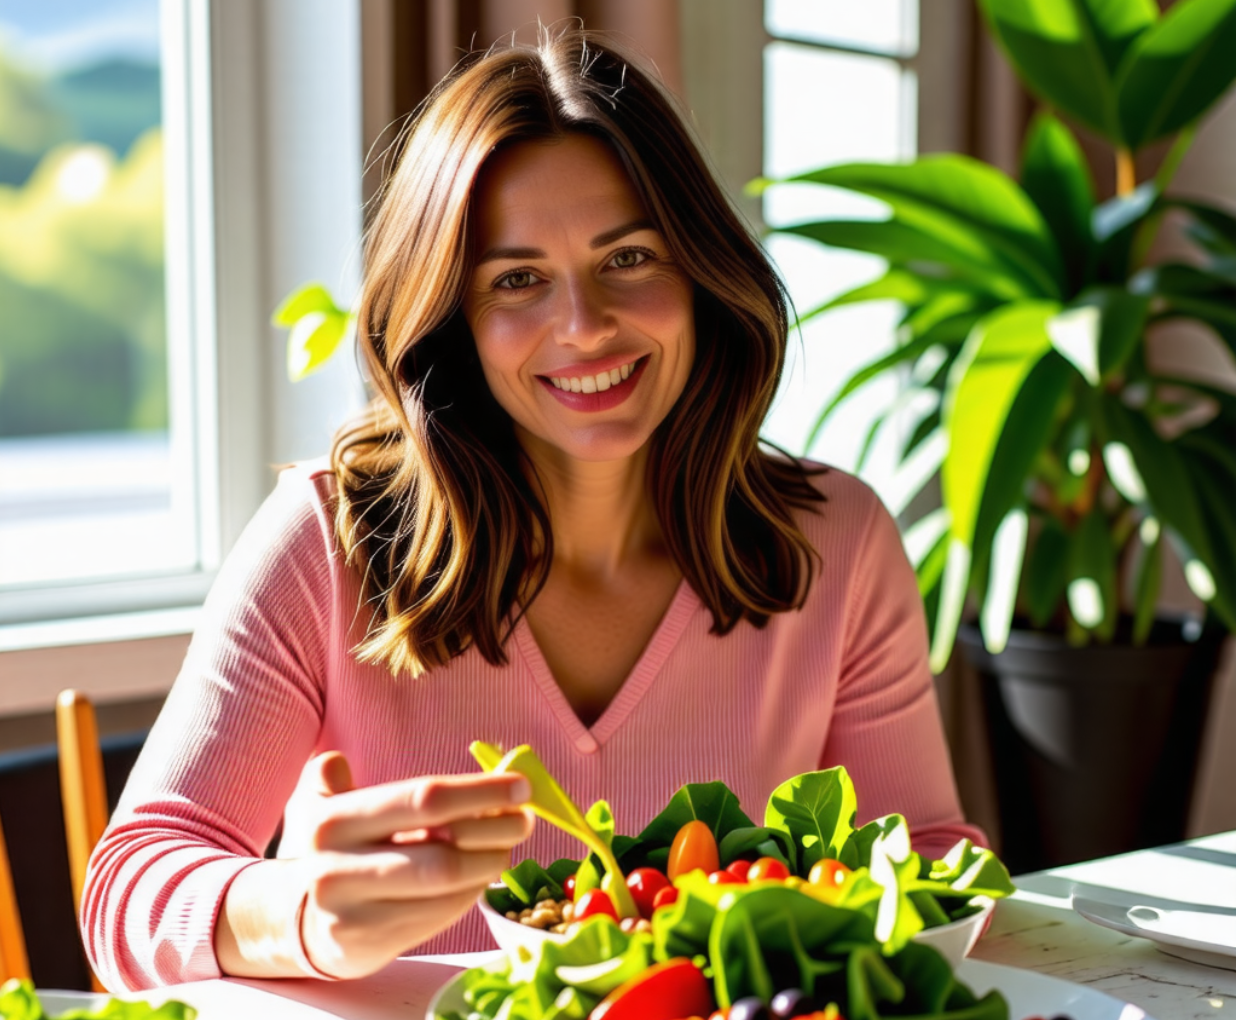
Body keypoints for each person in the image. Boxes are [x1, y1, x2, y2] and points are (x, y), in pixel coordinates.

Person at [82, 25, 985, 992]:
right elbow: (127, 892)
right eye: (516, 280)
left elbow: (927, 861)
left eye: (630, 257)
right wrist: (293, 910)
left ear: (700, 269)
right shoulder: (325, 539)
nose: (585, 325)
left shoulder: (835, 538)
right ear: (450, 317)